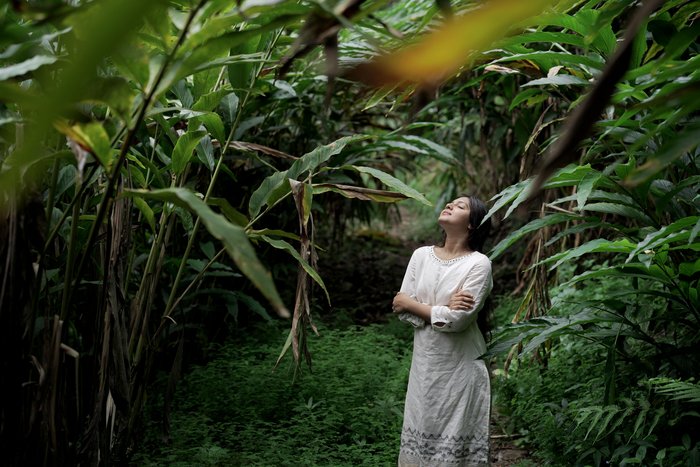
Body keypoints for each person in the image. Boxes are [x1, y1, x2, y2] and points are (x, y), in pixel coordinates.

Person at [392, 195, 493, 467]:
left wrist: (418, 306)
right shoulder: (421, 255)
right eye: (451, 202)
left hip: (460, 369)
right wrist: (443, 308)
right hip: (424, 368)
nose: (450, 205)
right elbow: (401, 308)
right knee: (420, 441)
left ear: (471, 224)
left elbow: (457, 320)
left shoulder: (478, 263)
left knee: (453, 451)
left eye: (460, 206)